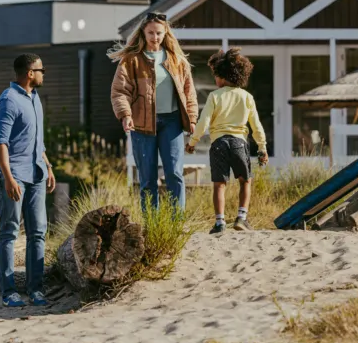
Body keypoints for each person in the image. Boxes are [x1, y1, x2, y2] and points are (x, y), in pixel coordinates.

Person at [110, 12, 198, 211]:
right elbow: (119, 91)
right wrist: (125, 115)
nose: (155, 37)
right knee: (147, 177)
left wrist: (192, 118)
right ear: (143, 32)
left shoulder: (177, 60)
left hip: (173, 122)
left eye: (158, 33)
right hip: (141, 124)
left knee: (175, 174)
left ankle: (176, 222)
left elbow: (189, 91)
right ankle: (151, 223)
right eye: (150, 33)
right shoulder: (131, 60)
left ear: (165, 32)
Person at [0, 53, 56, 308]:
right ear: (30, 73)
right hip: (14, 175)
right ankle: (9, 292)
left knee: (38, 232)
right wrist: (8, 178)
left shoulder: (35, 99)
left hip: (36, 173)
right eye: (41, 70)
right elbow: (1, 143)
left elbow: (36, 141)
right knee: (9, 232)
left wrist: (48, 166)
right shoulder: (8, 101)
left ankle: (35, 290)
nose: (43, 73)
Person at [186, 48, 268, 234]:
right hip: (239, 143)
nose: (215, 80)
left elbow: (203, 121)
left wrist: (193, 142)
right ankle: (241, 217)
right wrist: (262, 148)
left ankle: (220, 222)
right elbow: (256, 125)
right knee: (245, 181)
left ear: (223, 76)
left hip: (219, 144)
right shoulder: (247, 97)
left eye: (216, 75)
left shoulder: (215, 96)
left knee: (219, 184)